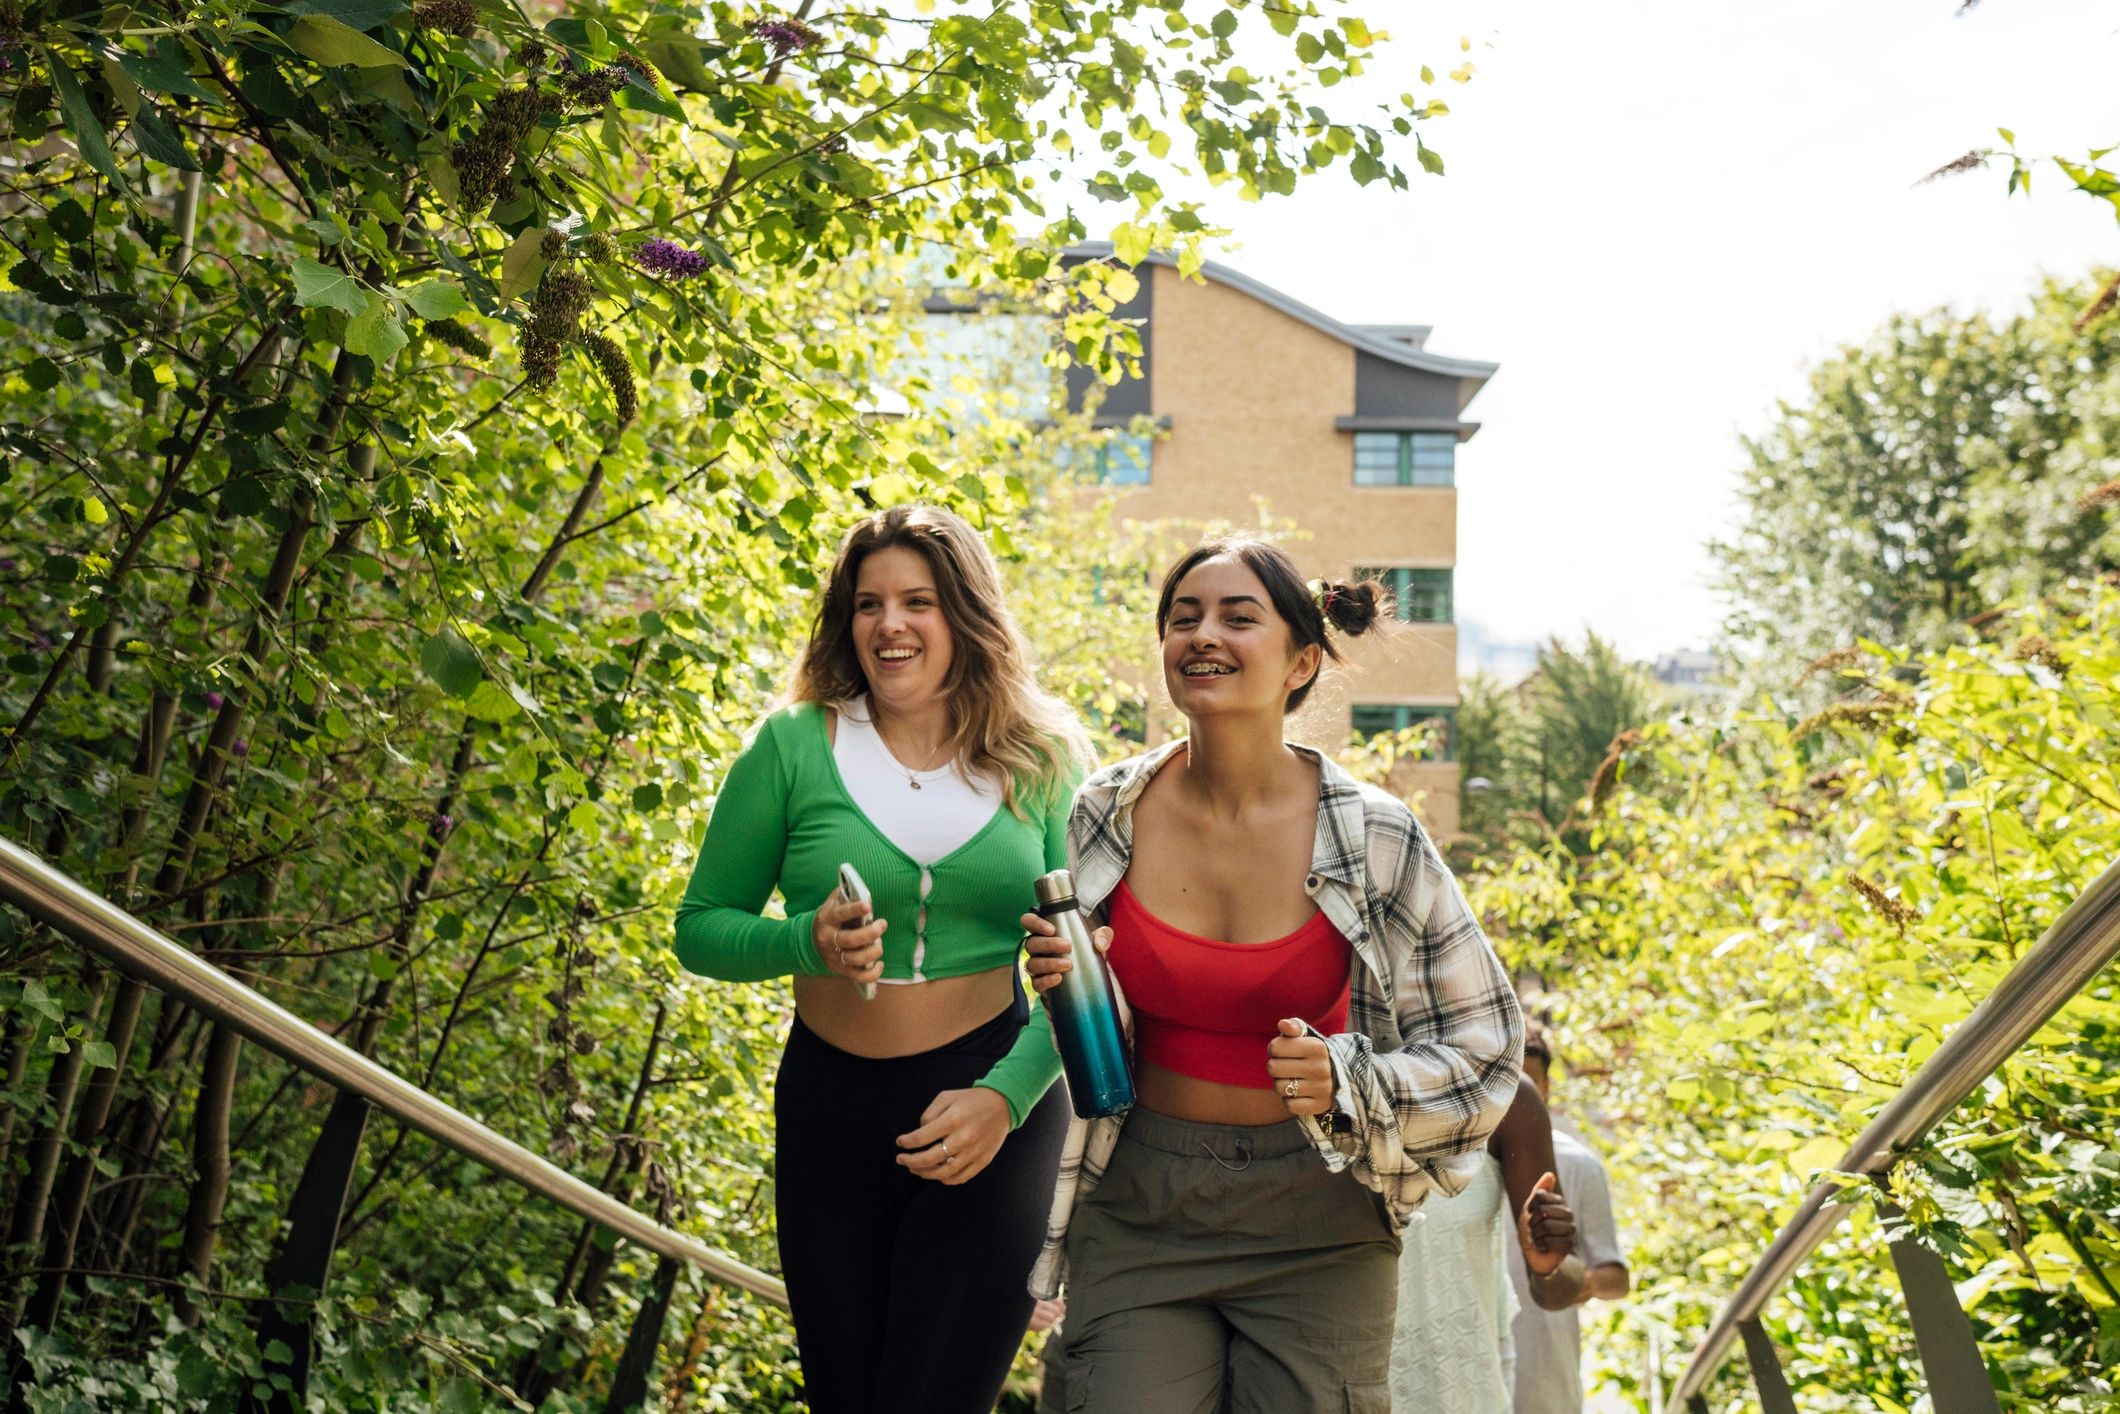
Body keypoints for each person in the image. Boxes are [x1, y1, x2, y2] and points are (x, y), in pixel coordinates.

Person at [1023, 536, 1524, 1414]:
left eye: (1235, 617)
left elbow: (1487, 1049)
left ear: (1301, 661)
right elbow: (1078, 1023)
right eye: (1183, 619)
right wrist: (1064, 979)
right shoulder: (1104, 813)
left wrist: (1350, 1079)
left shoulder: (1377, 836)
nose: (1202, 634)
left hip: (1318, 1217)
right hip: (1144, 1198)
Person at [673, 505, 1089, 1414]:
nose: (889, 624)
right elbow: (701, 926)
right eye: (868, 604)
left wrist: (1004, 1099)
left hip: (992, 1106)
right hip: (831, 1109)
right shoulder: (790, 747)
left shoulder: (1045, 758)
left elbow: (1090, 968)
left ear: (965, 615)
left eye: (918, 602)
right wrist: (803, 941)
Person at [1386, 1075, 1585, 1413]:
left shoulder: (1506, 1094)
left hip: (1463, 1394)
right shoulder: (1313, 1079)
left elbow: (1562, 1286)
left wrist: (1549, 1266)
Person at [1507, 1024, 1631, 1414]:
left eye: (1527, 1085)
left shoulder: (1578, 1165)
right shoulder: (1451, 1160)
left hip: (1546, 1378)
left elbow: (1617, 1279)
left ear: (1544, 1090)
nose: (1514, 1097)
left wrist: (1567, 1279)